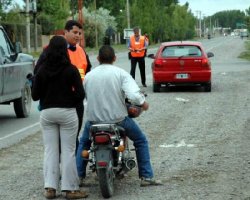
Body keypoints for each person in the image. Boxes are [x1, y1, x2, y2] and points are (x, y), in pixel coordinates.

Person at [76, 45, 162, 187]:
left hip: (93, 122)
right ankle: (146, 176)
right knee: (141, 140)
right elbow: (133, 95)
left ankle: (78, 176)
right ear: (115, 58)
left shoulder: (89, 76)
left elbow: (81, 97)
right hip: (118, 121)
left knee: (84, 143)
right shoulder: (121, 74)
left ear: (98, 58)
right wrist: (144, 103)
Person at [31, 36, 88, 199]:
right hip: (67, 113)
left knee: (50, 150)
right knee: (68, 151)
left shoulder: (42, 70)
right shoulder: (71, 70)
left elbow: (35, 96)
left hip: (47, 114)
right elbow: (80, 94)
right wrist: (68, 99)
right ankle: (70, 189)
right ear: (64, 50)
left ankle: (50, 188)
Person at [35, 20, 92, 153]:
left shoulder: (81, 51)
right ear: (65, 32)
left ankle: (73, 168)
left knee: (73, 137)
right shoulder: (53, 50)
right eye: (74, 32)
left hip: (76, 101)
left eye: (80, 33)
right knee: (56, 142)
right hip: (55, 100)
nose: (77, 36)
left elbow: (88, 71)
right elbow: (38, 72)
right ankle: (58, 168)